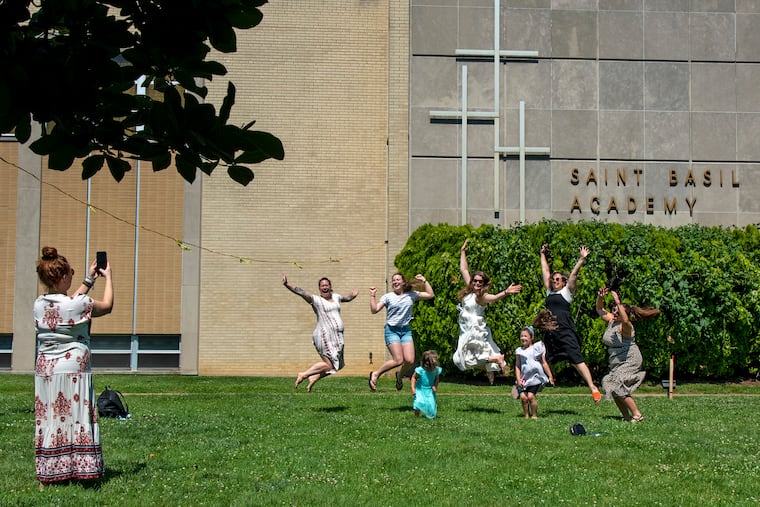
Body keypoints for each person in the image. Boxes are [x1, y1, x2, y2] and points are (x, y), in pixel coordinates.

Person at [33, 247, 113, 489]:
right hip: (74, 369)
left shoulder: (39, 304)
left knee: (50, 419)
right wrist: (108, 277)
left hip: (46, 370)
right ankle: (82, 470)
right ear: (63, 277)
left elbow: (68, 304)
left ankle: (50, 472)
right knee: (77, 417)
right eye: (70, 273)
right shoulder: (80, 304)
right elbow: (106, 306)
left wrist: (88, 281)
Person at [539, 243, 602, 402]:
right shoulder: (549, 292)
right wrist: (542, 255)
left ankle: (592, 387)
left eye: (558, 279)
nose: (554, 281)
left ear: (563, 282)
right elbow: (545, 271)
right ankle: (532, 385)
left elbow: (573, 275)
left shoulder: (566, 293)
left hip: (565, 332)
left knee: (576, 360)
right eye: (553, 279)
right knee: (542, 359)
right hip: (550, 333)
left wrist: (581, 259)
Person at [453, 239, 522, 384]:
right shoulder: (469, 290)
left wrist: (506, 292)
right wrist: (462, 251)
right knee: (460, 360)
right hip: (465, 329)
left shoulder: (482, 296)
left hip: (475, 330)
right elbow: (464, 270)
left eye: (480, 282)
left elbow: (494, 298)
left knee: (460, 359)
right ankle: (492, 364)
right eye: (475, 281)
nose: (477, 283)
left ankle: (493, 361)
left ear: (483, 284)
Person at [282, 274, 358, 392]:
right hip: (324, 335)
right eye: (322, 286)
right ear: (319, 288)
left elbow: (346, 299)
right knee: (329, 365)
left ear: (330, 286)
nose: (324, 287)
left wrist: (352, 295)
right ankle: (304, 374)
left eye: (326, 285)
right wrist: (287, 285)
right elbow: (301, 292)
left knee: (337, 366)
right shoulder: (316, 300)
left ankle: (314, 377)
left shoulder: (336, 297)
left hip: (337, 337)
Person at [595, 287, 660, 422]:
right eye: (614, 309)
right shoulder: (612, 321)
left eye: (617, 311)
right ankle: (626, 417)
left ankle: (637, 414)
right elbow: (600, 309)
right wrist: (600, 297)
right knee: (609, 383)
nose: (614, 312)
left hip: (630, 359)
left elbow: (625, 321)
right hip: (617, 360)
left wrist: (618, 302)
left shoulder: (626, 326)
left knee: (617, 383)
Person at [368, 273, 434, 391]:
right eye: (393, 280)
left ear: (403, 282)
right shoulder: (387, 297)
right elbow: (374, 310)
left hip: (405, 331)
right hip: (392, 330)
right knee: (398, 360)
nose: (395, 282)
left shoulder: (411, 295)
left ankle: (399, 375)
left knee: (409, 360)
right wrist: (372, 296)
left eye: (397, 279)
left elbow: (430, 294)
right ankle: (376, 374)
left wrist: (424, 280)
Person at [514, 326, 554, 419]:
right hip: (523, 379)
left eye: (525, 336)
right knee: (524, 398)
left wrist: (550, 376)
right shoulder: (519, 351)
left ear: (531, 338)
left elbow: (544, 362)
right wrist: (518, 379)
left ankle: (534, 415)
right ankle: (526, 415)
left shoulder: (536, 348)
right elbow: (517, 366)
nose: (523, 338)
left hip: (535, 378)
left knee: (531, 396)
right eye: (521, 336)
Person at [411, 350, 442, 418]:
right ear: (426, 364)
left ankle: (430, 415)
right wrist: (413, 388)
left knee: (431, 404)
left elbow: (437, 379)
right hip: (420, 389)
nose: (432, 368)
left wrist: (435, 386)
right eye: (431, 366)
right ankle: (416, 416)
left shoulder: (436, 370)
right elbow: (413, 378)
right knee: (419, 402)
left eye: (434, 365)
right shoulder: (421, 370)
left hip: (430, 390)